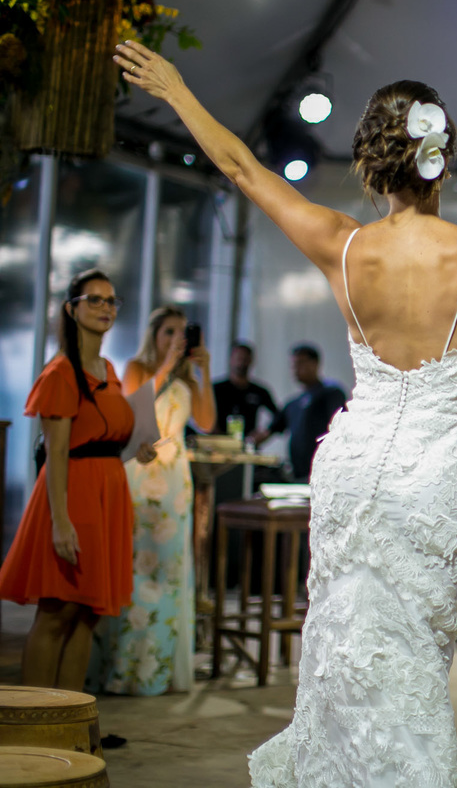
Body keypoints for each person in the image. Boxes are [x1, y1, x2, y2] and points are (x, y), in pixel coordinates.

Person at [114, 0, 457, 782]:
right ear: (440, 157)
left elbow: (241, 167)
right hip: (435, 477)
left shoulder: (341, 244)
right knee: (415, 653)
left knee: (344, 642)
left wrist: (177, 89)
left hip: (355, 467)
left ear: (373, 162)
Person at [0, 269, 155, 690]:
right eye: (95, 299)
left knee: (87, 614)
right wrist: (60, 521)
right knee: (58, 611)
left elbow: (104, 435)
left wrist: (136, 447)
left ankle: (69, 716)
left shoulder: (108, 368)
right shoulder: (60, 373)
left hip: (109, 491)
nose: (106, 308)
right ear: (71, 309)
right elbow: (57, 452)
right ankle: (36, 717)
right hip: (74, 494)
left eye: (111, 300)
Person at [89, 305, 216, 696]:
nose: (176, 339)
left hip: (175, 479)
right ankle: (123, 667)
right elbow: (132, 412)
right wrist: (166, 365)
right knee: (133, 565)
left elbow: (206, 422)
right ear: (154, 335)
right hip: (141, 473)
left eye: (182, 332)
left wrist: (204, 372)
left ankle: (157, 668)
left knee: (169, 570)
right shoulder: (136, 368)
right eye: (168, 332)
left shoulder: (189, 377)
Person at [262, 344, 346, 482]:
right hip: (297, 475)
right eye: (293, 365)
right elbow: (269, 430)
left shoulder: (331, 393)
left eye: (300, 363)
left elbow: (340, 428)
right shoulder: (293, 403)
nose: (296, 369)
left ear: (315, 364)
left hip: (324, 475)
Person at [213, 340, 278, 442]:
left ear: (251, 361)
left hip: (247, 444)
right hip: (218, 443)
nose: (241, 362)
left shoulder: (258, 391)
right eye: (238, 358)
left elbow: (279, 416)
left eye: (245, 359)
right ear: (231, 359)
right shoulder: (216, 389)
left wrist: (265, 433)